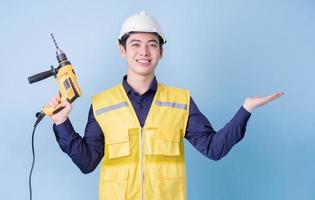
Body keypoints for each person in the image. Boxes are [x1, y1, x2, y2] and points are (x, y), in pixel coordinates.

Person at [49, 11, 284, 200]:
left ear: (161, 51)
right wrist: (62, 123)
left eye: (152, 44)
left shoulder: (180, 102)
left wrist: (245, 110)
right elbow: (87, 162)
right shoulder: (102, 104)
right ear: (122, 50)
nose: (144, 51)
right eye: (135, 44)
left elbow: (214, 149)